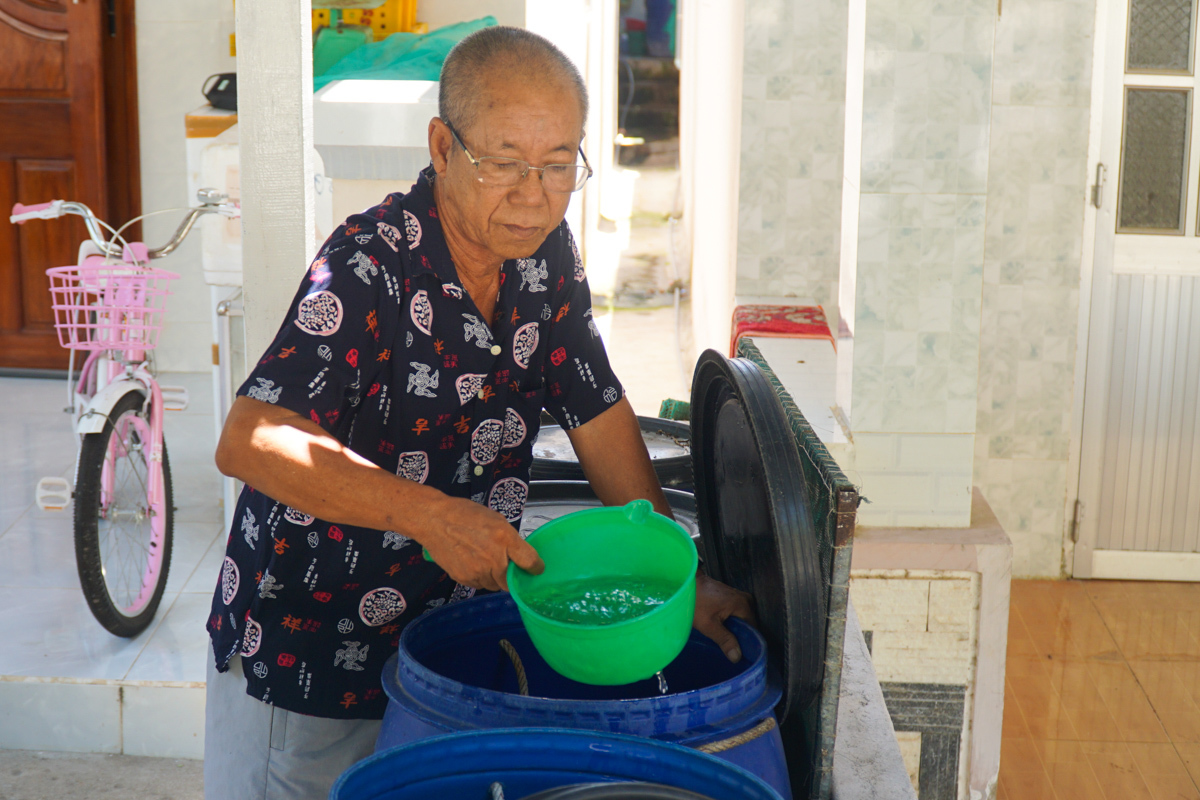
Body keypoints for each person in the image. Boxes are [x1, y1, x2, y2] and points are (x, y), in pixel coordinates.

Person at [203, 25, 754, 800]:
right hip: (309, 651)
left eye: (560, 164)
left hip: (438, 651)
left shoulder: (546, 253)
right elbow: (251, 439)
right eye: (504, 164)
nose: (534, 194)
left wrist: (672, 574)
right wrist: (429, 516)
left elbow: (596, 407)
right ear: (441, 146)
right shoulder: (367, 265)